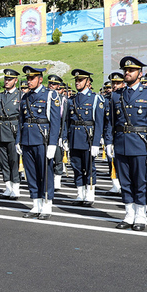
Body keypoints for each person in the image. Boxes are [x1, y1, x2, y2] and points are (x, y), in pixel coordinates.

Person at [106, 56, 147, 231]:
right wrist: (109, 142)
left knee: (140, 180)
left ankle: (141, 215)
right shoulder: (116, 95)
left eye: (131, 70)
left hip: (140, 144)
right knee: (125, 181)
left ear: (140, 73)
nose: (127, 73)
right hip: (121, 143)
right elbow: (111, 122)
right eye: (126, 70)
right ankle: (129, 214)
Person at [18, 66, 61, 220]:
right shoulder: (25, 97)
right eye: (28, 78)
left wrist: (52, 144)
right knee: (31, 174)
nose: (29, 81)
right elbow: (21, 121)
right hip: (28, 140)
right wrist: (19, 141)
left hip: (43, 140)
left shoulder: (50, 95)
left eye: (32, 78)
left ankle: (47, 204)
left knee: (45, 173)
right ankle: (36, 203)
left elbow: (55, 122)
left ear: (40, 79)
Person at [66, 70, 104, 206]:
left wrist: (96, 143)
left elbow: (99, 123)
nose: (77, 83)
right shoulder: (71, 100)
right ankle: (80, 193)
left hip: (88, 137)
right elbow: (67, 121)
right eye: (76, 80)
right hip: (74, 137)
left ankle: (90, 193)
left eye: (80, 80)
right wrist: (65, 138)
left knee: (89, 167)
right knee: (76, 166)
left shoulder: (95, 99)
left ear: (88, 82)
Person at [0, 69, 23, 199]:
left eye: (10, 79)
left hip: (13, 132)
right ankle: (8, 186)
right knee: (3, 161)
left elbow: (22, 117)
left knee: (13, 160)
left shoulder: (20, 95)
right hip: (0, 131)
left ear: (15, 80)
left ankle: (16, 187)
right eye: (6, 79)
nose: (7, 81)